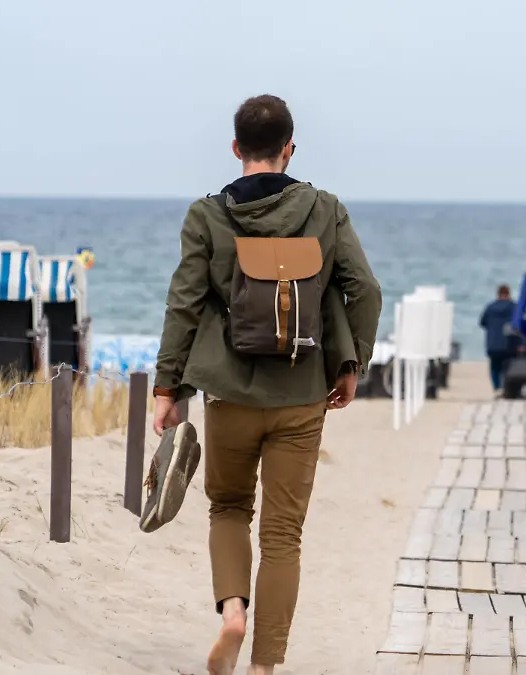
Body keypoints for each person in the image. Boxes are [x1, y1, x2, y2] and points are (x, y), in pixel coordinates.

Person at [152, 94, 382, 675]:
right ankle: (264, 666)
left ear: (235, 149)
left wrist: (166, 388)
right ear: (289, 148)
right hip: (303, 394)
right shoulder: (325, 210)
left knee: (228, 507)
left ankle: (233, 613)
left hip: (228, 392)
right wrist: (351, 365)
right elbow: (366, 290)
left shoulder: (206, 216)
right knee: (284, 535)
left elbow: (184, 304)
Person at [479, 284, 516, 395]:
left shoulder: (490, 307)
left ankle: (497, 388)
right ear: (508, 294)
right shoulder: (513, 307)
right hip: (508, 343)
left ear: (498, 294)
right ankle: (505, 387)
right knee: (506, 367)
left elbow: (482, 323)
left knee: (495, 367)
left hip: (493, 344)